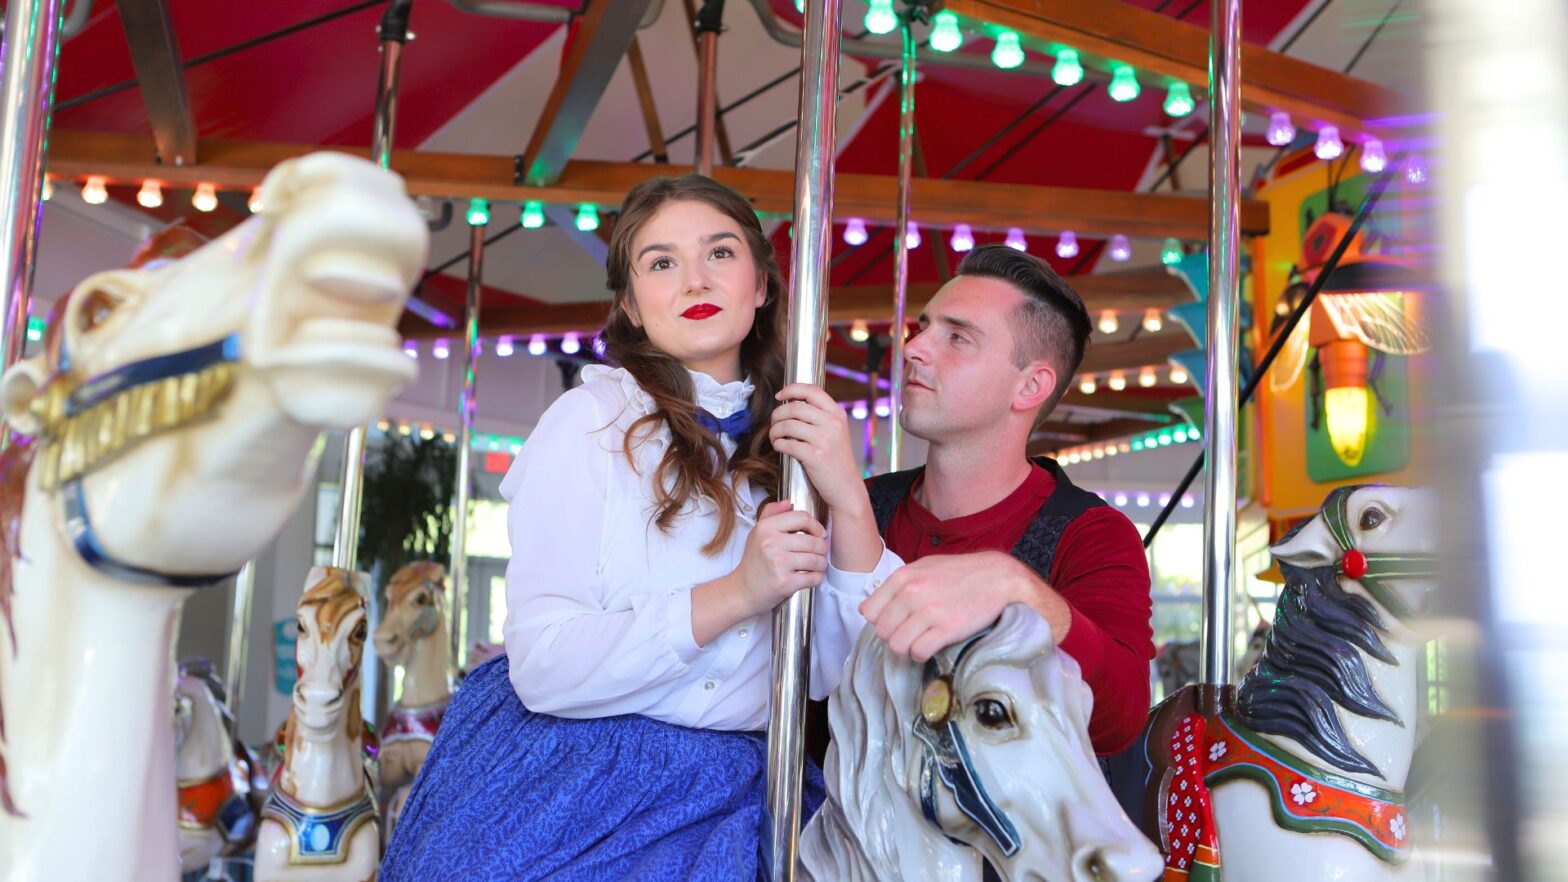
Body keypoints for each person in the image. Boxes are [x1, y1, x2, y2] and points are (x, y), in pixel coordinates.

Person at [380, 175, 897, 881]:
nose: (694, 280)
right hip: (584, 779)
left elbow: (840, 673)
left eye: (720, 253)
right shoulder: (589, 425)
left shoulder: (792, 449)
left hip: (746, 785)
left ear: (763, 284)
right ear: (630, 303)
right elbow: (543, 663)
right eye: (661, 263)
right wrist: (738, 593)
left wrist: (849, 497)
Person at [772, 243, 1154, 757]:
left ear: (1030, 386)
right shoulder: (859, 505)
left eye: (958, 337)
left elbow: (1117, 719)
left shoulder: (1089, 533)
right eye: (923, 327)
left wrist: (1020, 592)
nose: (913, 347)